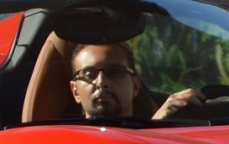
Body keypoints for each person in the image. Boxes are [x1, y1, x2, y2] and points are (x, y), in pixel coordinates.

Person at [67, 40, 204, 124]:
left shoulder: (175, 138)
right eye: (90, 74)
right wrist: (154, 126)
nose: (102, 82)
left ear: (136, 85)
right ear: (75, 91)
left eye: (114, 72)